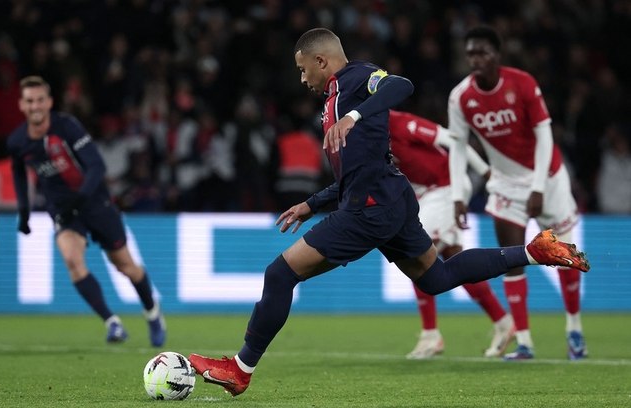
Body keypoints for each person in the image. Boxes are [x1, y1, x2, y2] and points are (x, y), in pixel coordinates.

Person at [187, 28, 589, 397]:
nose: (301, 77)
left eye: (302, 68)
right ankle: (534, 252)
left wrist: (356, 114)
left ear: (321, 61)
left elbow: (401, 84)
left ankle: (240, 369)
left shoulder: (357, 79)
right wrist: (312, 204)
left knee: (280, 273)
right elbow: (358, 171)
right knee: (437, 277)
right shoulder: (332, 101)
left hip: (370, 211)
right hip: (388, 199)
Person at [448, 26, 587, 360]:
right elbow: (456, 147)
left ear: (497, 55)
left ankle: (574, 329)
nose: (475, 59)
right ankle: (525, 342)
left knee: (566, 254)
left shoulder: (522, 83)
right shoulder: (460, 97)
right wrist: (458, 195)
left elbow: (544, 136)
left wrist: (538, 187)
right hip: (507, 184)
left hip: (548, 177)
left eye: (482, 52)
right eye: (470, 53)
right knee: (512, 259)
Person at [7, 76, 166, 347]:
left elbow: (96, 166)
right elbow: (19, 175)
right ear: (22, 105)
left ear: (49, 102)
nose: (35, 106)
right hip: (62, 210)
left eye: (40, 100)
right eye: (30, 101)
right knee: (72, 260)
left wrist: (80, 198)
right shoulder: (17, 141)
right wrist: (24, 213)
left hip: (94, 202)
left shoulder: (67, 126)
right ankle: (112, 323)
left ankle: (152, 313)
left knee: (126, 266)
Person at [388, 110, 514, 359]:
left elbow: (455, 139)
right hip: (426, 193)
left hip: (446, 188)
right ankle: (503, 321)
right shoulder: (365, 132)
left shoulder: (400, 124)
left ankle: (430, 335)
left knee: (416, 255)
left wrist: (486, 173)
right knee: (453, 258)